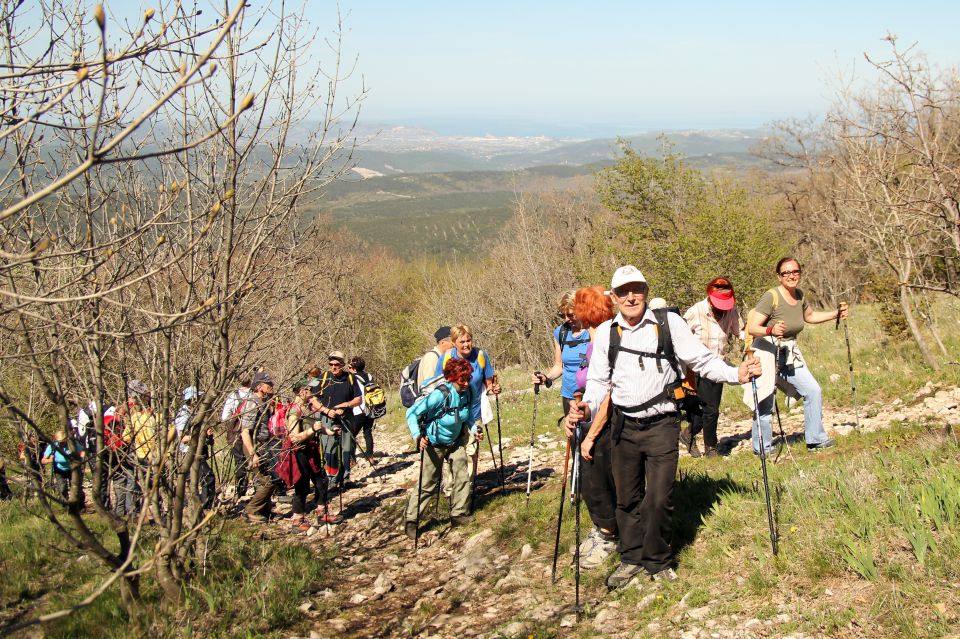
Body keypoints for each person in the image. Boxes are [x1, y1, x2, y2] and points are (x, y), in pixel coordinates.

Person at [569, 265, 760, 588]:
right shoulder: (606, 334)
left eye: (637, 289)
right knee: (627, 499)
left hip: (662, 424)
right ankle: (630, 558)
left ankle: (657, 561)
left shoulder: (667, 323)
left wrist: (736, 374)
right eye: (624, 291)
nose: (631, 296)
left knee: (658, 498)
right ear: (614, 298)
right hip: (623, 426)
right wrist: (586, 407)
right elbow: (600, 382)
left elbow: (700, 360)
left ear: (645, 290)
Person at [744, 257, 847, 454]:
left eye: (795, 272)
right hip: (767, 351)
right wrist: (771, 330)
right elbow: (753, 327)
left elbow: (810, 317)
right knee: (765, 400)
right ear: (778, 276)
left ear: (800, 273)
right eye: (786, 273)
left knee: (813, 390)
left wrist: (835, 314)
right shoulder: (771, 296)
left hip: (789, 353)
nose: (791, 276)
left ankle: (816, 440)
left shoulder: (799, 295)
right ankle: (762, 448)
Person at [563, 285, 618, 570]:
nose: (572, 315)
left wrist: (592, 432)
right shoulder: (596, 337)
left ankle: (608, 534)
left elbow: (608, 388)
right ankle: (601, 529)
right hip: (590, 414)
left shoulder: (604, 337)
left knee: (596, 479)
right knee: (590, 478)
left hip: (604, 420)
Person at [403, 358, 476, 538]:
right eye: (462, 379)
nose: (466, 383)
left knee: (461, 475)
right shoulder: (440, 395)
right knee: (428, 483)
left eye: (468, 378)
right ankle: (412, 520)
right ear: (452, 379)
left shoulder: (469, 392)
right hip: (433, 442)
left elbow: (467, 416)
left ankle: (458, 514)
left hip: (455, 440)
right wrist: (417, 436)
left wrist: (476, 429)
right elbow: (411, 413)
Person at [681, 277, 743, 457]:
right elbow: (681, 336)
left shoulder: (732, 311)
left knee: (711, 410)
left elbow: (740, 331)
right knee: (702, 410)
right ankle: (709, 446)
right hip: (695, 367)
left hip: (717, 365)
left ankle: (691, 435)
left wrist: (757, 336)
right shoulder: (696, 311)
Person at [435, 324, 501, 487]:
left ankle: (466, 491)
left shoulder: (480, 355)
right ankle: (450, 490)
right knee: (451, 454)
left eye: (468, 340)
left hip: (474, 413)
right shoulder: (446, 358)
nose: (466, 345)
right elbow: (437, 386)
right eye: (461, 341)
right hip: (449, 415)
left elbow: (489, 384)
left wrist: (495, 389)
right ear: (454, 342)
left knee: (470, 453)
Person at [279, 377, 339, 529]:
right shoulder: (294, 411)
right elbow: (294, 437)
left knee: (321, 481)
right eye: (310, 390)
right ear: (301, 391)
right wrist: (313, 430)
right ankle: (297, 520)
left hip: (311, 450)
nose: (313, 392)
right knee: (302, 486)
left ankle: (322, 512)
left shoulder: (308, 407)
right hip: (300, 452)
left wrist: (331, 432)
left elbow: (317, 428)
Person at [533, 290, 592, 417]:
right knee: (573, 436)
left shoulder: (593, 330)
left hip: (591, 395)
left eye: (570, 315)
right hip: (569, 396)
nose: (566, 319)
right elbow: (559, 365)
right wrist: (546, 378)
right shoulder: (561, 332)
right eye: (563, 315)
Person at [315, 351, 361, 487]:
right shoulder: (322, 378)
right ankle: (331, 479)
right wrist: (326, 411)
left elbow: (358, 399)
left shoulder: (351, 378)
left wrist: (345, 405)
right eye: (331, 364)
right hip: (327, 419)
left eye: (336, 364)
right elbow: (313, 399)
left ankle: (345, 478)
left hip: (346, 418)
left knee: (346, 448)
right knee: (330, 449)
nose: (333, 367)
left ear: (342, 365)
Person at [242, 371, 281, 522]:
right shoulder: (252, 403)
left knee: (272, 478)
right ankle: (250, 511)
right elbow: (245, 431)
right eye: (268, 384)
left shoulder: (263, 401)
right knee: (267, 481)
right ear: (259, 387)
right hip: (255, 447)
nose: (271, 385)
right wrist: (253, 454)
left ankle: (264, 511)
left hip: (264, 445)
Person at [174, 386, 216, 510]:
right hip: (189, 453)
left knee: (202, 479)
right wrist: (200, 433)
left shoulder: (197, 413)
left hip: (198, 451)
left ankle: (201, 506)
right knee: (208, 478)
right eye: (198, 397)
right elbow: (182, 438)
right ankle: (205, 507)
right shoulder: (183, 414)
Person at [120, 380, 157, 517]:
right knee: (139, 482)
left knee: (135, 481)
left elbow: (126, 435)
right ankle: (136, 512)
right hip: (141, 451)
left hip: (138, 450)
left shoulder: (132, 411)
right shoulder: (133, 410)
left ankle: (134, 511)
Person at [222, 371, 254, 499]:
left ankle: (241, 491)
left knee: (240, 461)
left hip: (237, 433)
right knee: (253, 458)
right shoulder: (254, 395)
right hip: (252, 432)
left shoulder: (233, 396)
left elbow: (224, 416)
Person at [348, 356, 377, 459]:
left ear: (353, 367)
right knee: (368, 432)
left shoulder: (351, 377)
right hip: (371, 408)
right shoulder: (369, 376)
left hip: (358, 410)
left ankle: (352, 458)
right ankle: (370, 456)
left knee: (351, 435)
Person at [42, 430, 76, 502]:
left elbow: (82, 452)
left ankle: (78, 505)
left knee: (75, 487)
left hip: (72, 469)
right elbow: (43, 460)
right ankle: (65, 505)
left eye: (63, 441)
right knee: (62, 488)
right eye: (60, 441)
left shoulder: (71, 445)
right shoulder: (53, 446)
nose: (62, 443)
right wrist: (50, 460)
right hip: (59, 470)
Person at [417, 326, 454, 390]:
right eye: (452, 343)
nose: (454, 345)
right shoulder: (431, 358)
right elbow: (429, 386)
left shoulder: (443, 357)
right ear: (443, 343)